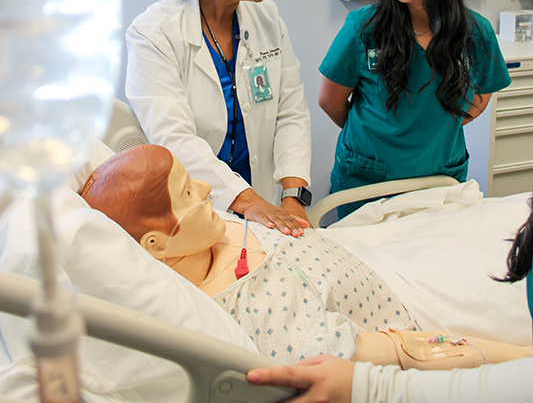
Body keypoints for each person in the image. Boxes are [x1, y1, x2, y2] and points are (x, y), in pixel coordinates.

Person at [80, 144, 530, 369]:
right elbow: (402, 351)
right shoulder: (251, 310)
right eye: (187, 191)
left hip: (380, 250)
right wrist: (516, 362)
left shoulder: (209, 232)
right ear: (156, 246)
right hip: (416, 301)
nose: (206, 192)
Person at [246, 193, 533, 403]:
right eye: (197, 188)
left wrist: (369, 391)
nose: (204, 188)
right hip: (375, 260)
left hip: (390, 277)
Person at [125, 0, 312, 236]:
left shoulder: (267, 19)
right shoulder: (154, 33)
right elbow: (173, 137)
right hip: (191, 210)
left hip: (266, 208)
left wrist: (292, 195)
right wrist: (247, 200)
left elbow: (291, 111)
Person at [319, 0, 511, 216]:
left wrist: (435, 128)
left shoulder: (475, 32)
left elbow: (482, 95)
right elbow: (330, 101)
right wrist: (379, 132)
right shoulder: (363, 28)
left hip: (439, 178)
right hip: (368, 179)